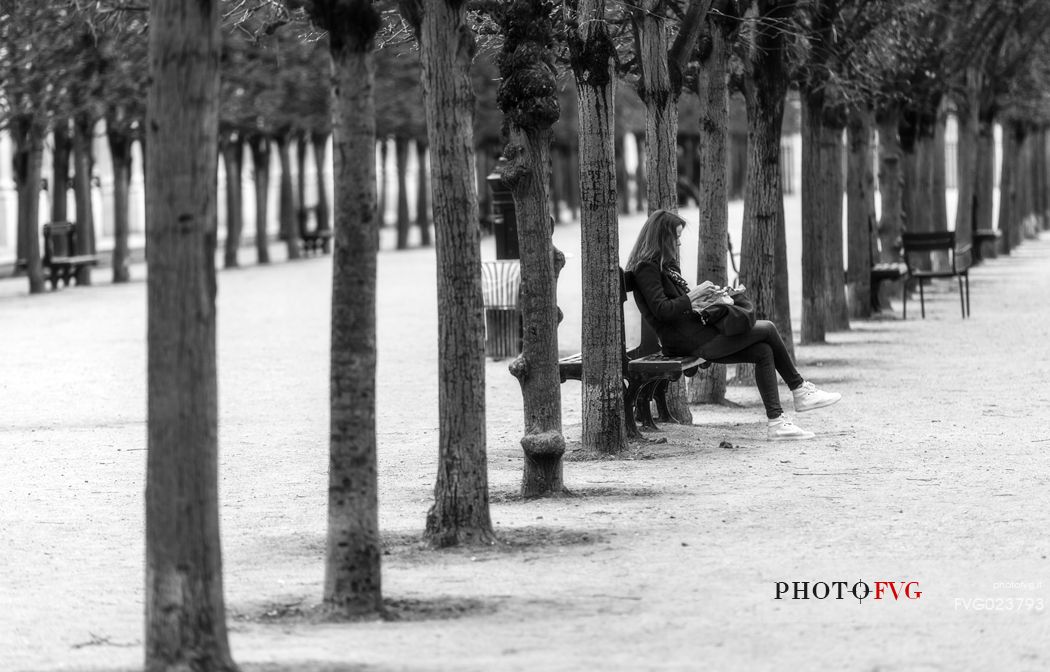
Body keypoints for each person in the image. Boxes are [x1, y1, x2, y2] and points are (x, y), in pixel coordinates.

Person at [625, 209, 840, 441]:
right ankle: (799, 389)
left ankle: (777, 423)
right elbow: (663, 311)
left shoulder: (665, 266)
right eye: (674, 237)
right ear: (661, 237)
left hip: (696, 332)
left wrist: (712, 298)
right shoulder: (646, 268)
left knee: (763, 351)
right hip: (686, 341)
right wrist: (695, 294)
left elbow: (680, 306)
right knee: (767, 328)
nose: (678, 243)